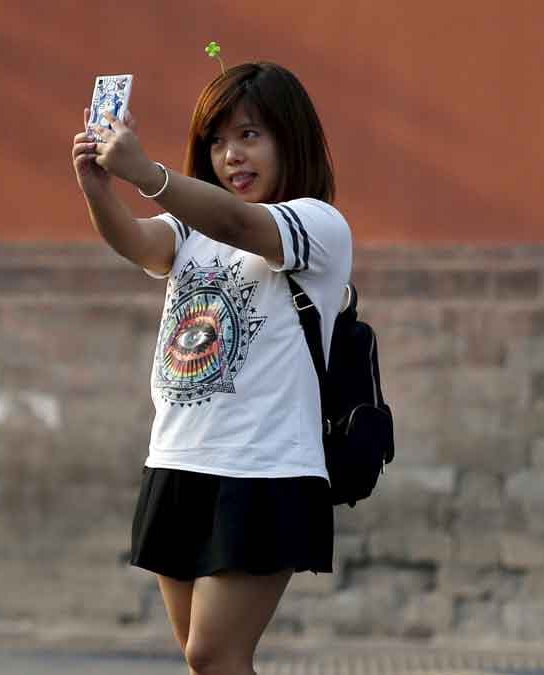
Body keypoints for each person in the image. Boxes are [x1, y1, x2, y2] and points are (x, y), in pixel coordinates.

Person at [70, 61, 352, 675]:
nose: (231, 156)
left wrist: (145, 173)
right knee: (205, 664)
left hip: (264, 469)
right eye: (217, 142)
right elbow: (141, 241)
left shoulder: (316, 225)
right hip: (178, 460)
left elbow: (237, 222)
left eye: (250, 136)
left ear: (290, 138)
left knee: (214, 654)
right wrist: (98, 189)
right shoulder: (190, 227)